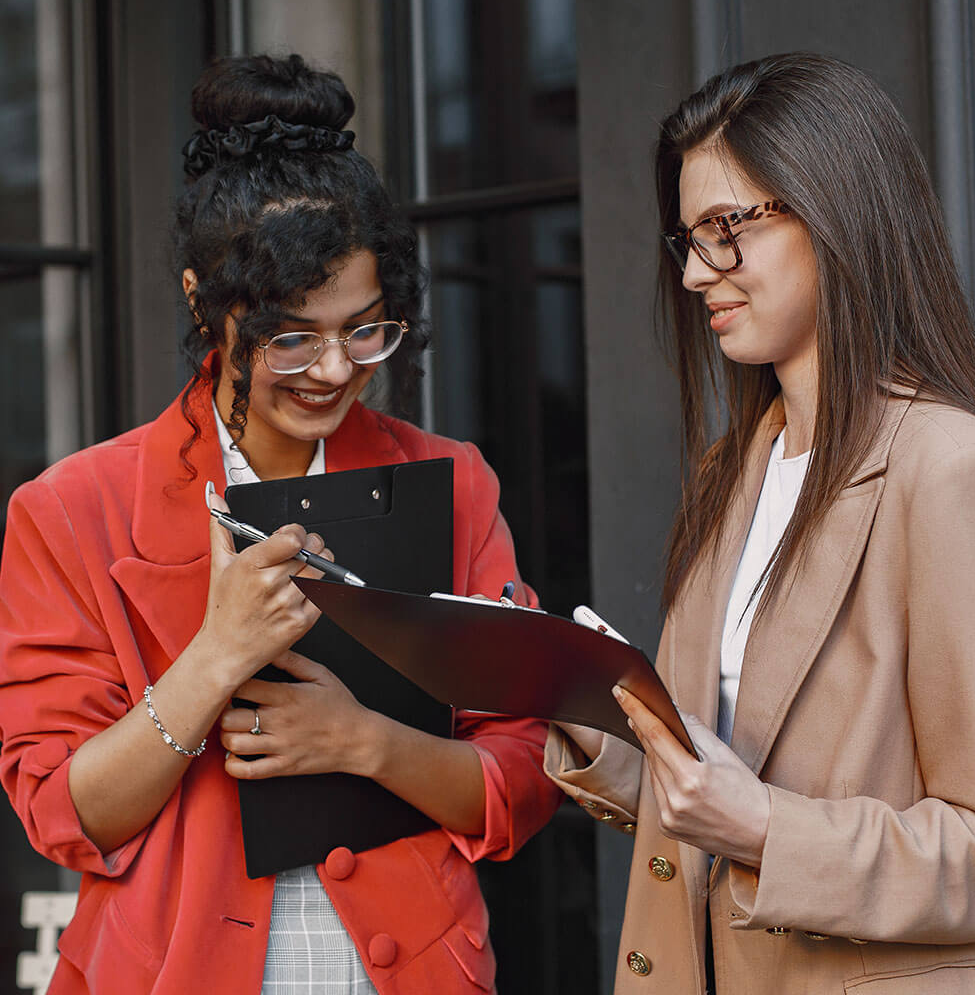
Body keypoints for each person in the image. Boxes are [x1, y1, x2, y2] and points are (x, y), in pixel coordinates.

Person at [0, 53, 561, 995]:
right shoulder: (71, 510)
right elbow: (66, 814)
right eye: (290, 336)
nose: (335, 370)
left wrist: (364, 743)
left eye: (366, 329)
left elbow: (527, 773)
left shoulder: (451, 481)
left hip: (407, 967)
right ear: (202, 303)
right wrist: (215, 657)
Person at [545, 52, 975, 994]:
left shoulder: (949, 467)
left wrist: (764, 828)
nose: (698, 274)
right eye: (688, 239)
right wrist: (582, 713)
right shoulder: (734, 471)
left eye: (727, 229)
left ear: (836, 215)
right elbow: (707, 800)